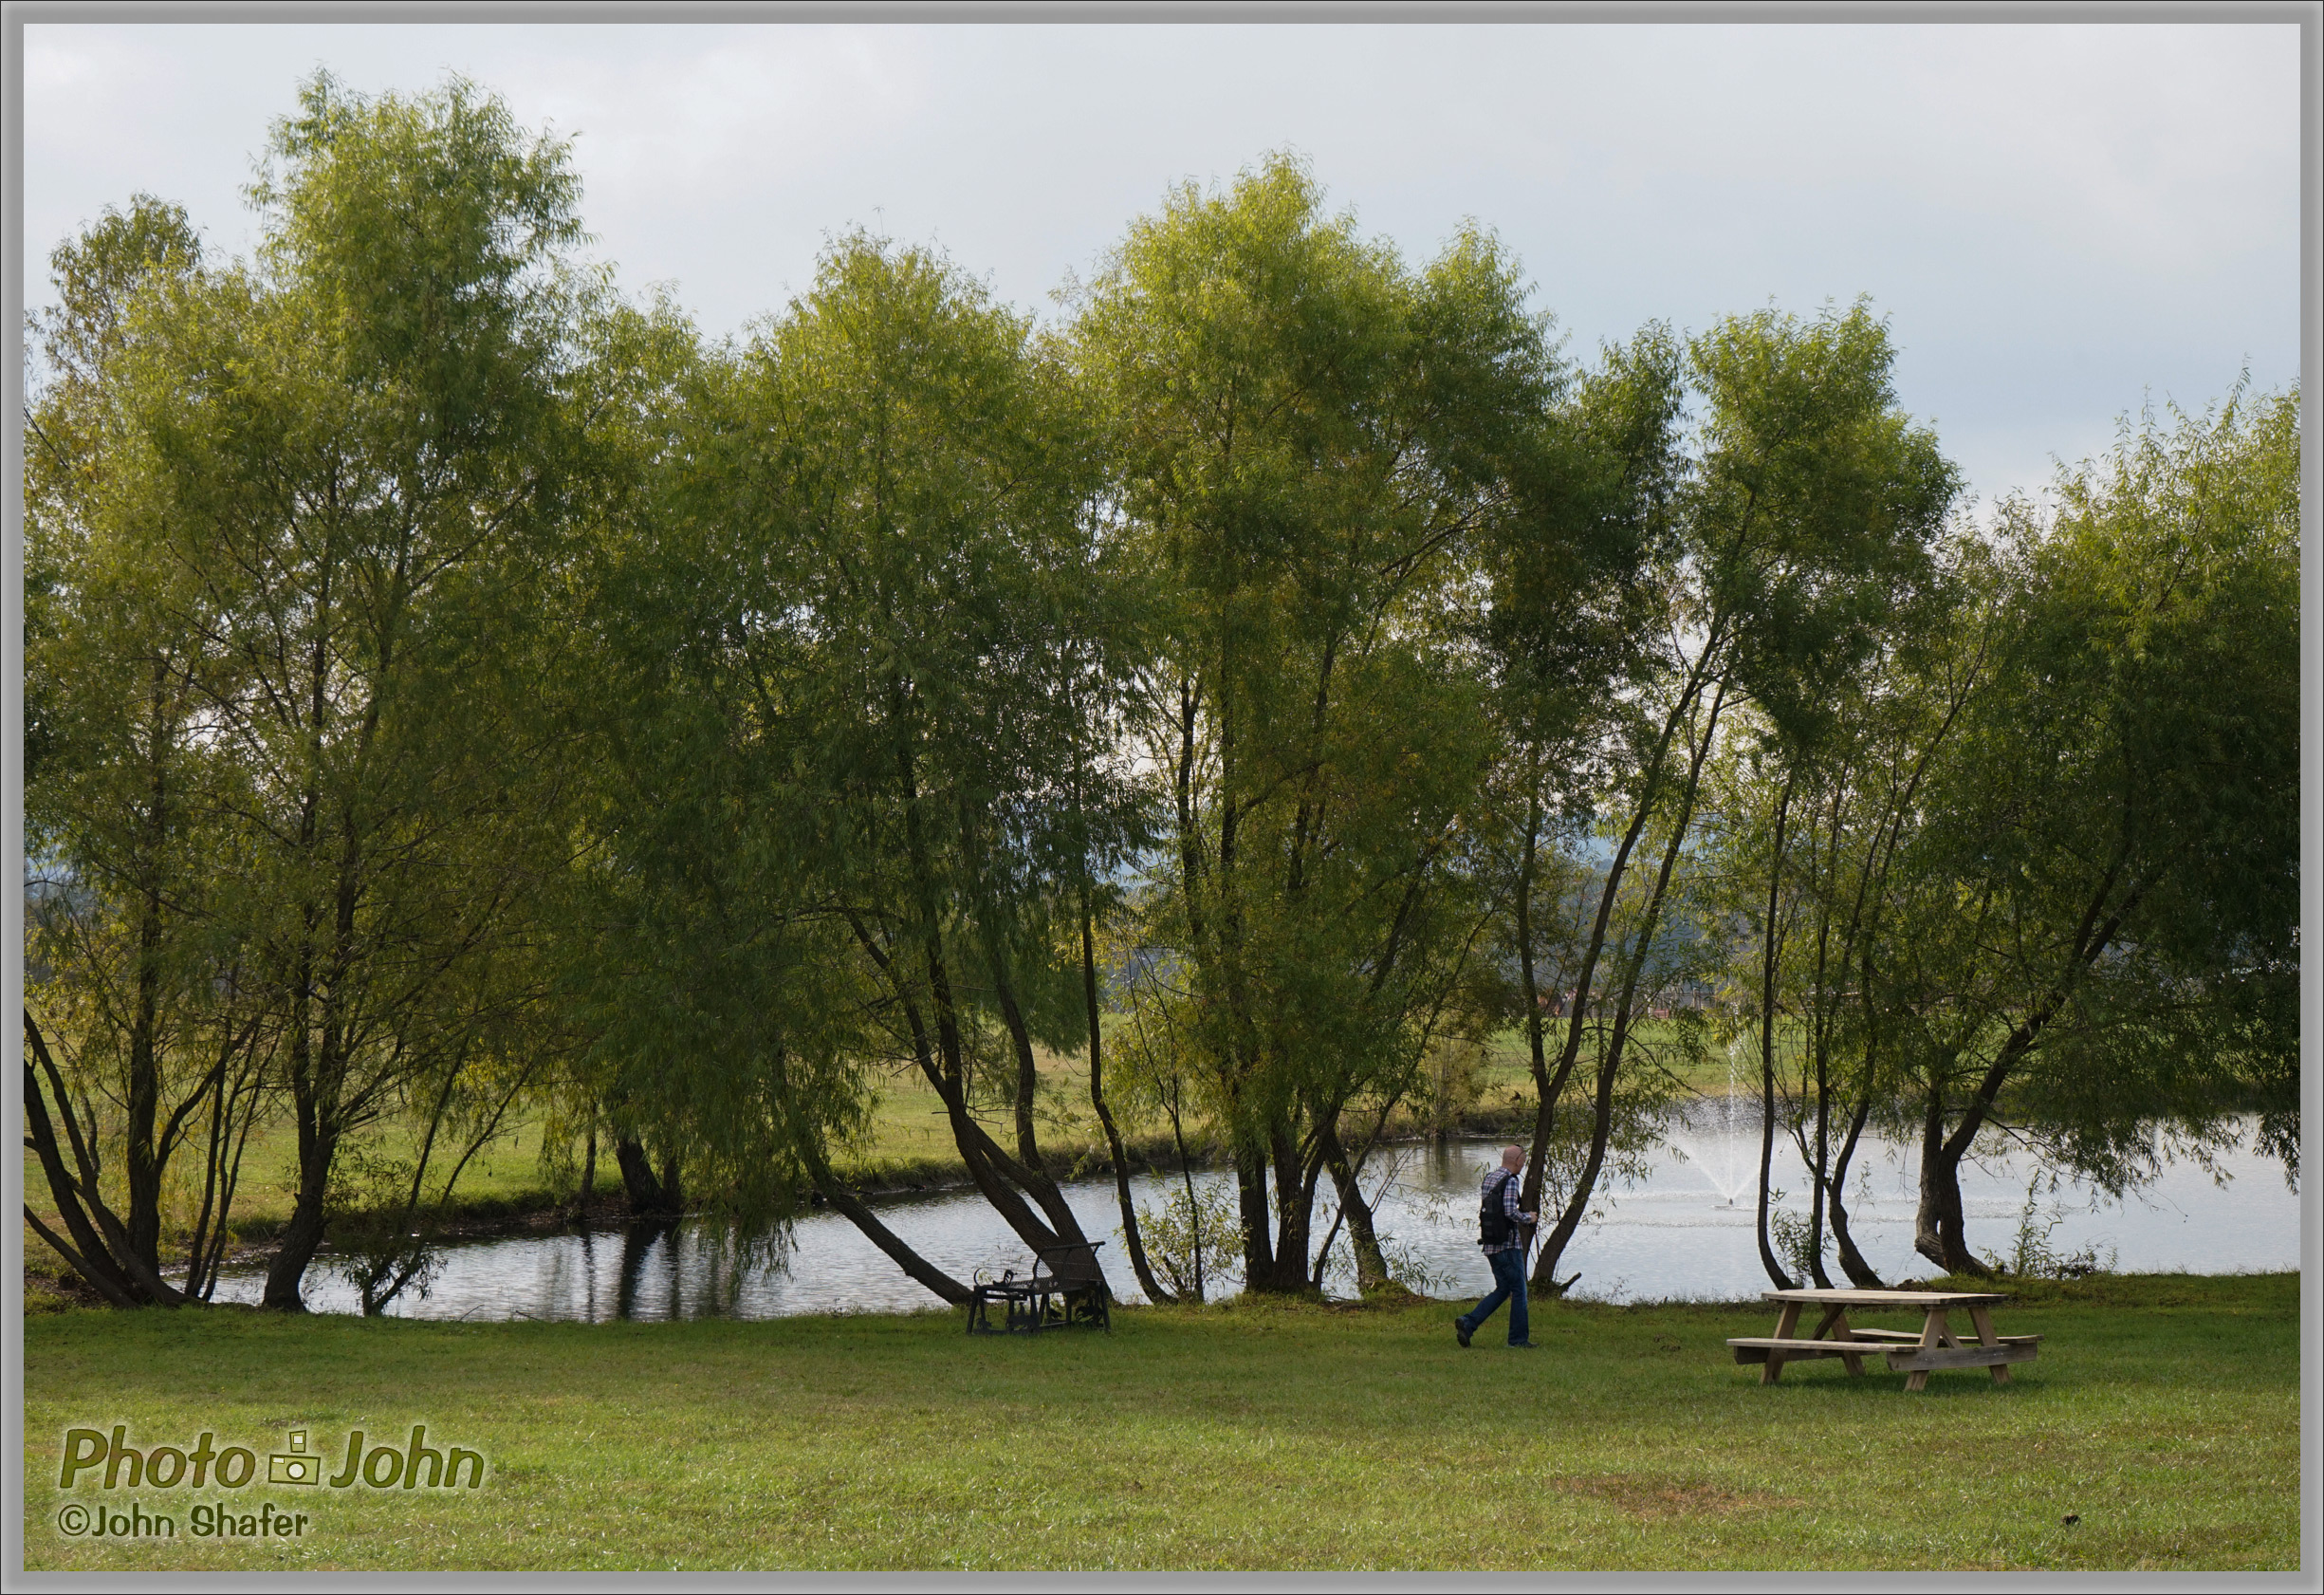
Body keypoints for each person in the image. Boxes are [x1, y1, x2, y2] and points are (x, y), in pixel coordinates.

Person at [1454, 1145, 1538, 1348]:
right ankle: (1518, 1340)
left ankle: (1468, 1322)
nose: (1523, 1165)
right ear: (1517, 1160)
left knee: (1503, 1289)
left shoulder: (1489, 1179)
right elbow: (1510, 1212)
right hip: (1508, 1246)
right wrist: (1528, 1217)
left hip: (1491, 1245)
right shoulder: (1510, 1180)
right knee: (1519, 1291)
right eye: (1523, 1162)